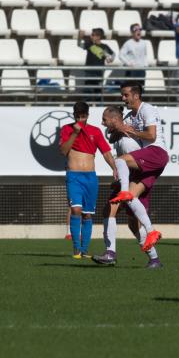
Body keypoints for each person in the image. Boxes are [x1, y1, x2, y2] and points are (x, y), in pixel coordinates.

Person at [93, 106, 162, 268]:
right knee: (129, 221)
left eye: (105, 119)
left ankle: (113, 253)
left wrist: (125, 181)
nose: (102, 123)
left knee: (127, 218)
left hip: (138, 179)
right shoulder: (121, 135)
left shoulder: (129, 140)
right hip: (131, 178)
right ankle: (153, 259)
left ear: (115, 120)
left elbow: (137, 162)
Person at [108, 83, 168, 263]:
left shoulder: (146, 109)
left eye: (126, 95)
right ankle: (154, 254)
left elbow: (151, 136)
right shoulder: (129, 116)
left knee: (120, 160)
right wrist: (117, 128)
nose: (123, 98)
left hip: (156, 154)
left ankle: (110, 252)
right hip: (142, 165)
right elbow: (113, 135)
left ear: (135, 95)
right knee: (132, 221)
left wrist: (131, 130)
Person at [59, 101, 117, 258]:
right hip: (74, 176)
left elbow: (106, 152)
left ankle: (84, 250)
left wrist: (114, 168)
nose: (80, 120)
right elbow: (64, 151)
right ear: (74, 115)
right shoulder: (67, 129)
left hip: (90, 178)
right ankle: (76, 248)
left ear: (87, 116)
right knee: (76, 210)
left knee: (87, 214)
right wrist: (74, 133)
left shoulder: (95, 131)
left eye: (83, 117)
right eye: (77, 117)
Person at [78, 28, 114, 93]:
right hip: (89, 72)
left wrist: (111, 59)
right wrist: (79, 37)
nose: (90, 36)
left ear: (98, 36)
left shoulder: (104, 46)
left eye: (92, 35)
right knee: (87, 93)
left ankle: (98, 103)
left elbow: (113, 54)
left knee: (98, 93)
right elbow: (79, 45)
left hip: (99, 73)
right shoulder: (89, 44)